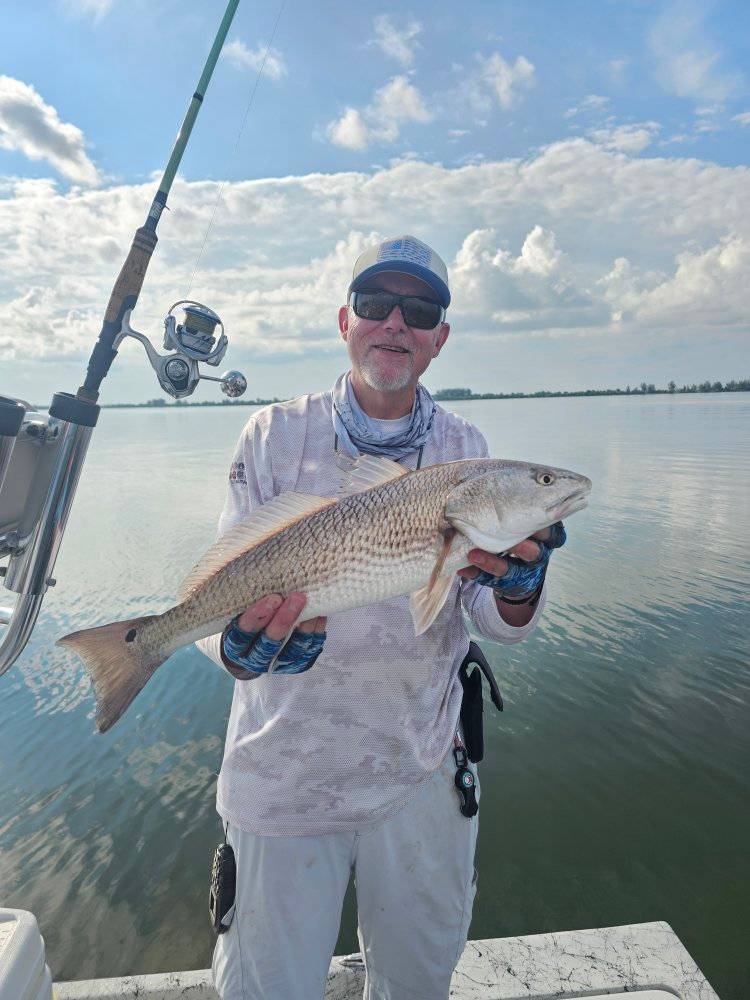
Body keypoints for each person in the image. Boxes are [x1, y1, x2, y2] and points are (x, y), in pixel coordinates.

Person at [197, 235, 565, 1000]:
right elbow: (216, 612)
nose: (396, 323)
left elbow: (489, 620)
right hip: (281, 777)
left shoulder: (467, 450)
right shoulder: (272, 434)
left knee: (418, 985)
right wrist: (241, 649)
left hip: (419, 769)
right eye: (376, 304)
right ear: (345, 321)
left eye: (420, 309)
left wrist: (522, 584)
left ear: (439, 338)